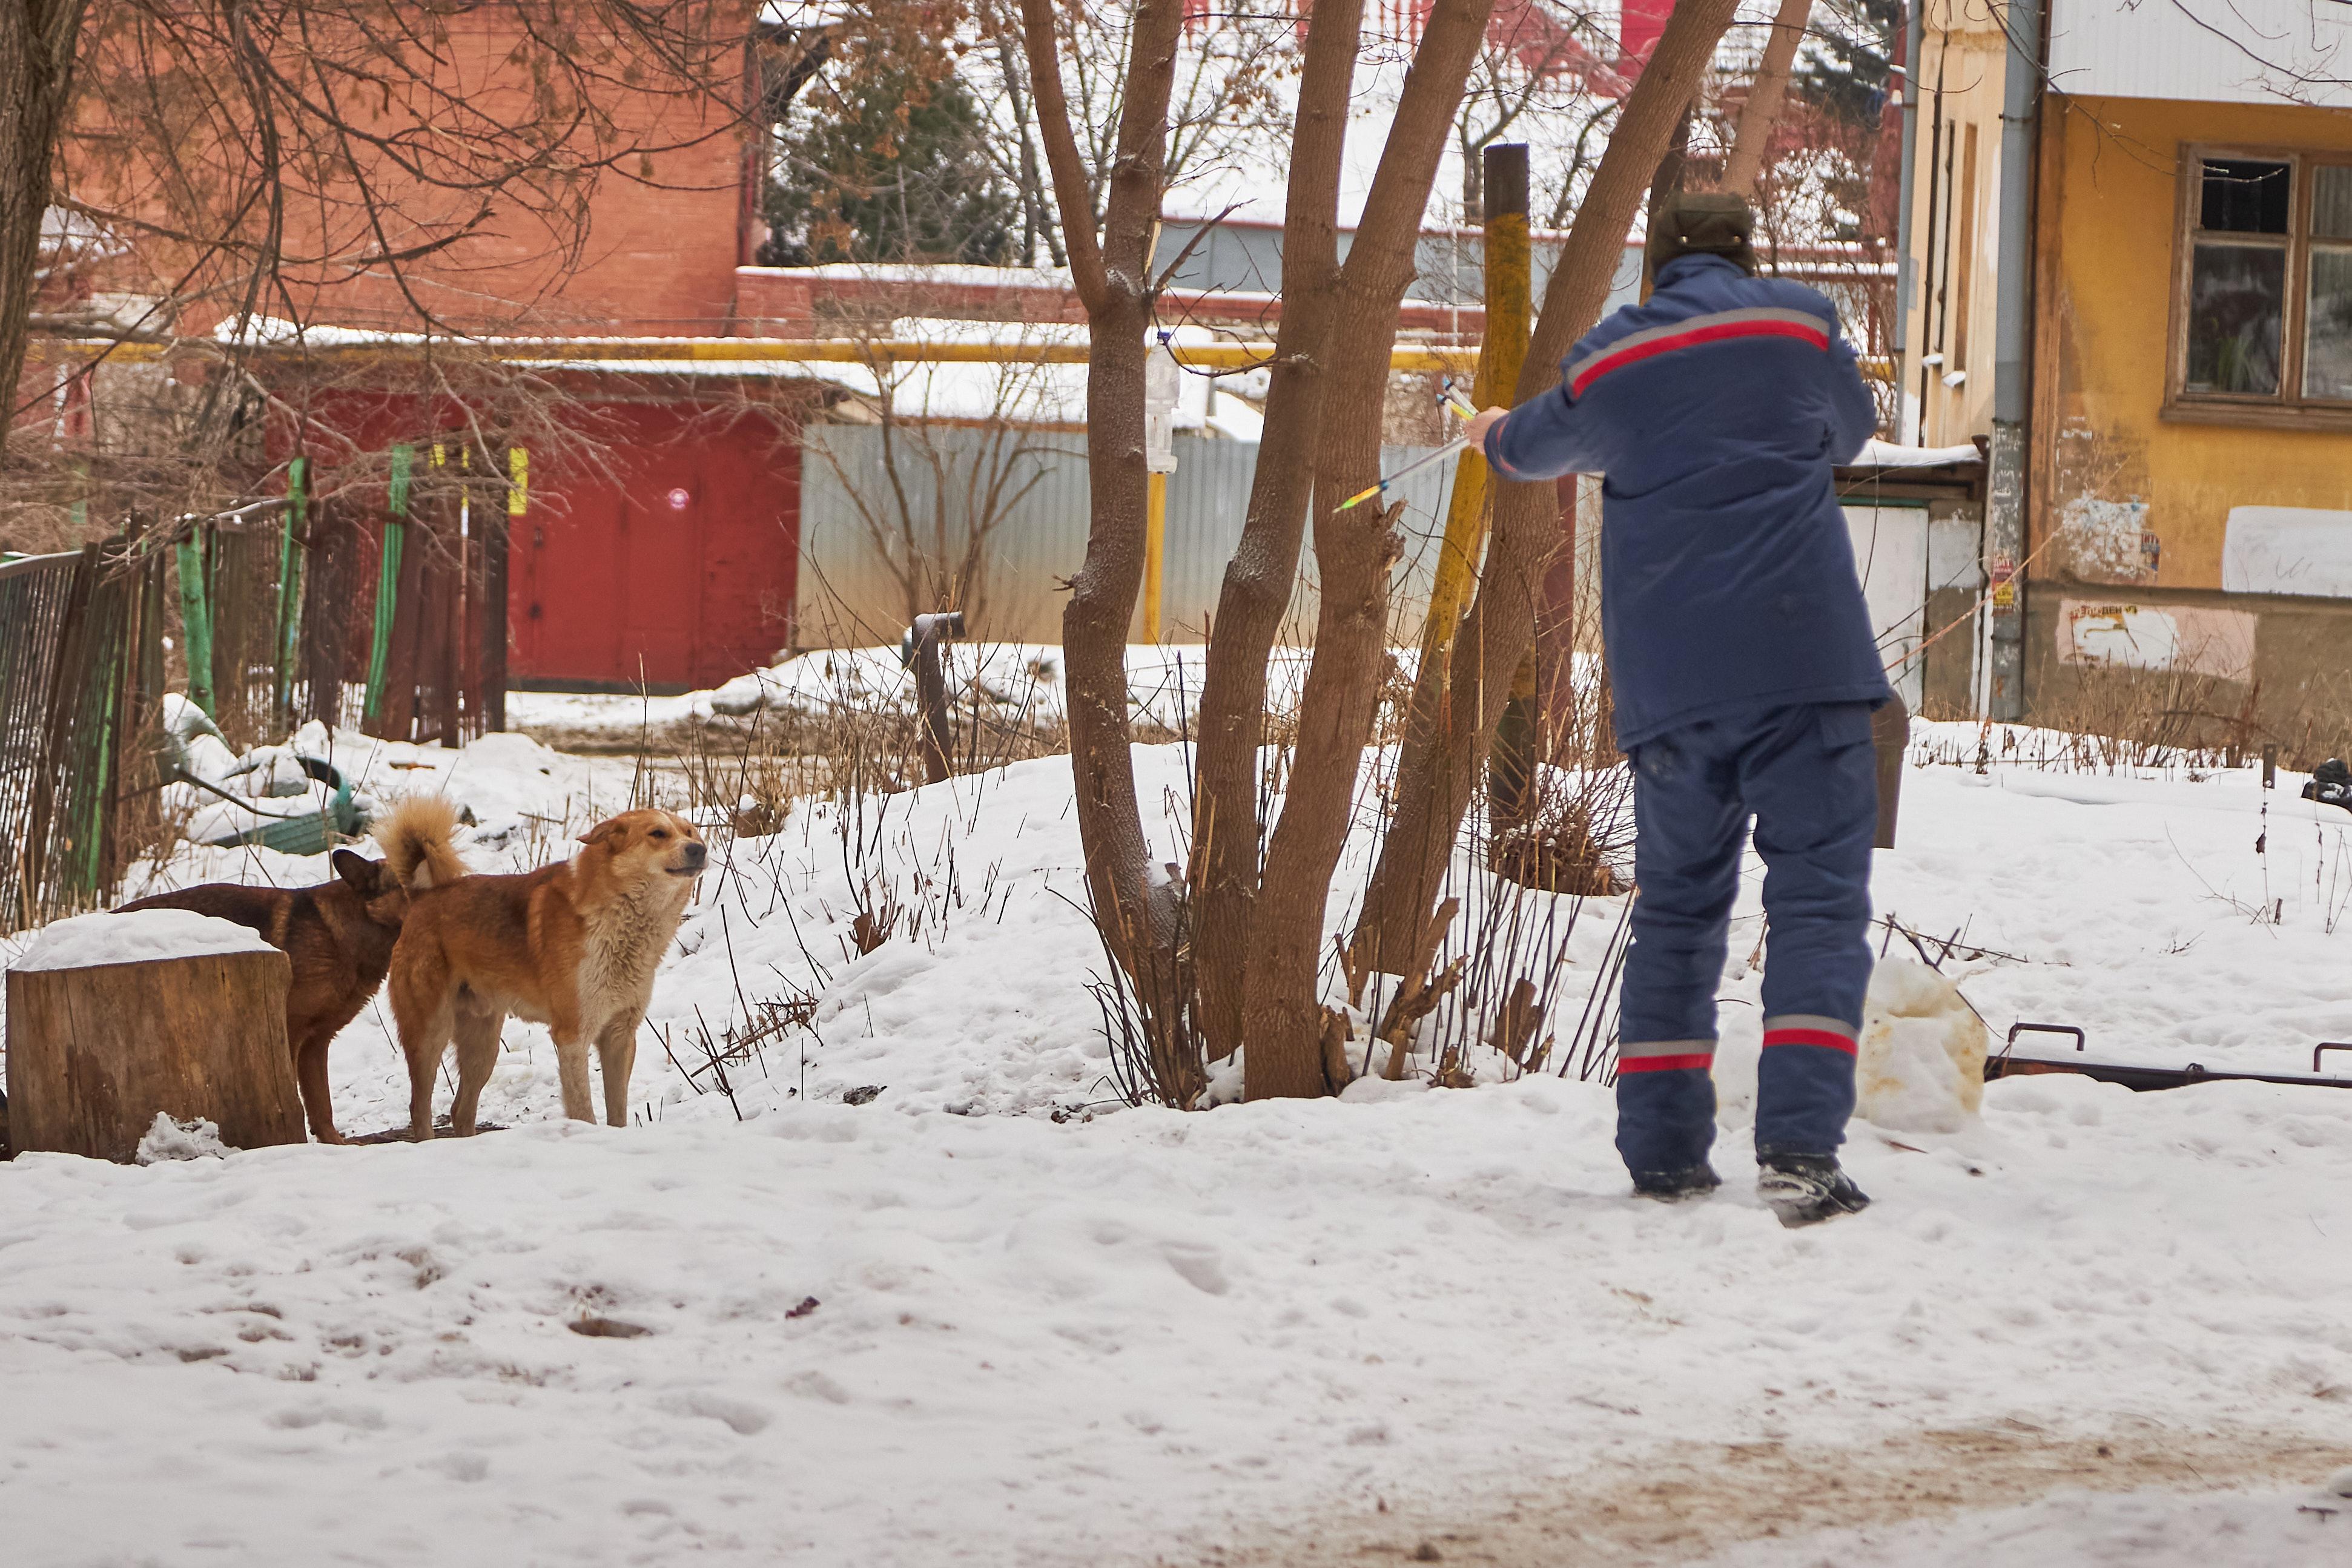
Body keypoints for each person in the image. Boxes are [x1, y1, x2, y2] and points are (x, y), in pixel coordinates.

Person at [1464, 191, 1888, 1227]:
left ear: (1655, 269)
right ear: (1750, 256)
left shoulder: (1613, 358)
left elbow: (1531, 451)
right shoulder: (1799, 323)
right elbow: (1853, 433)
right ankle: (1797, 1148)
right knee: (1819, 908)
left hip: (1673, 691)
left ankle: (1661, 1153)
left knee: (1678, 912)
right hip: (1806, 666)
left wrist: (1487, 433)